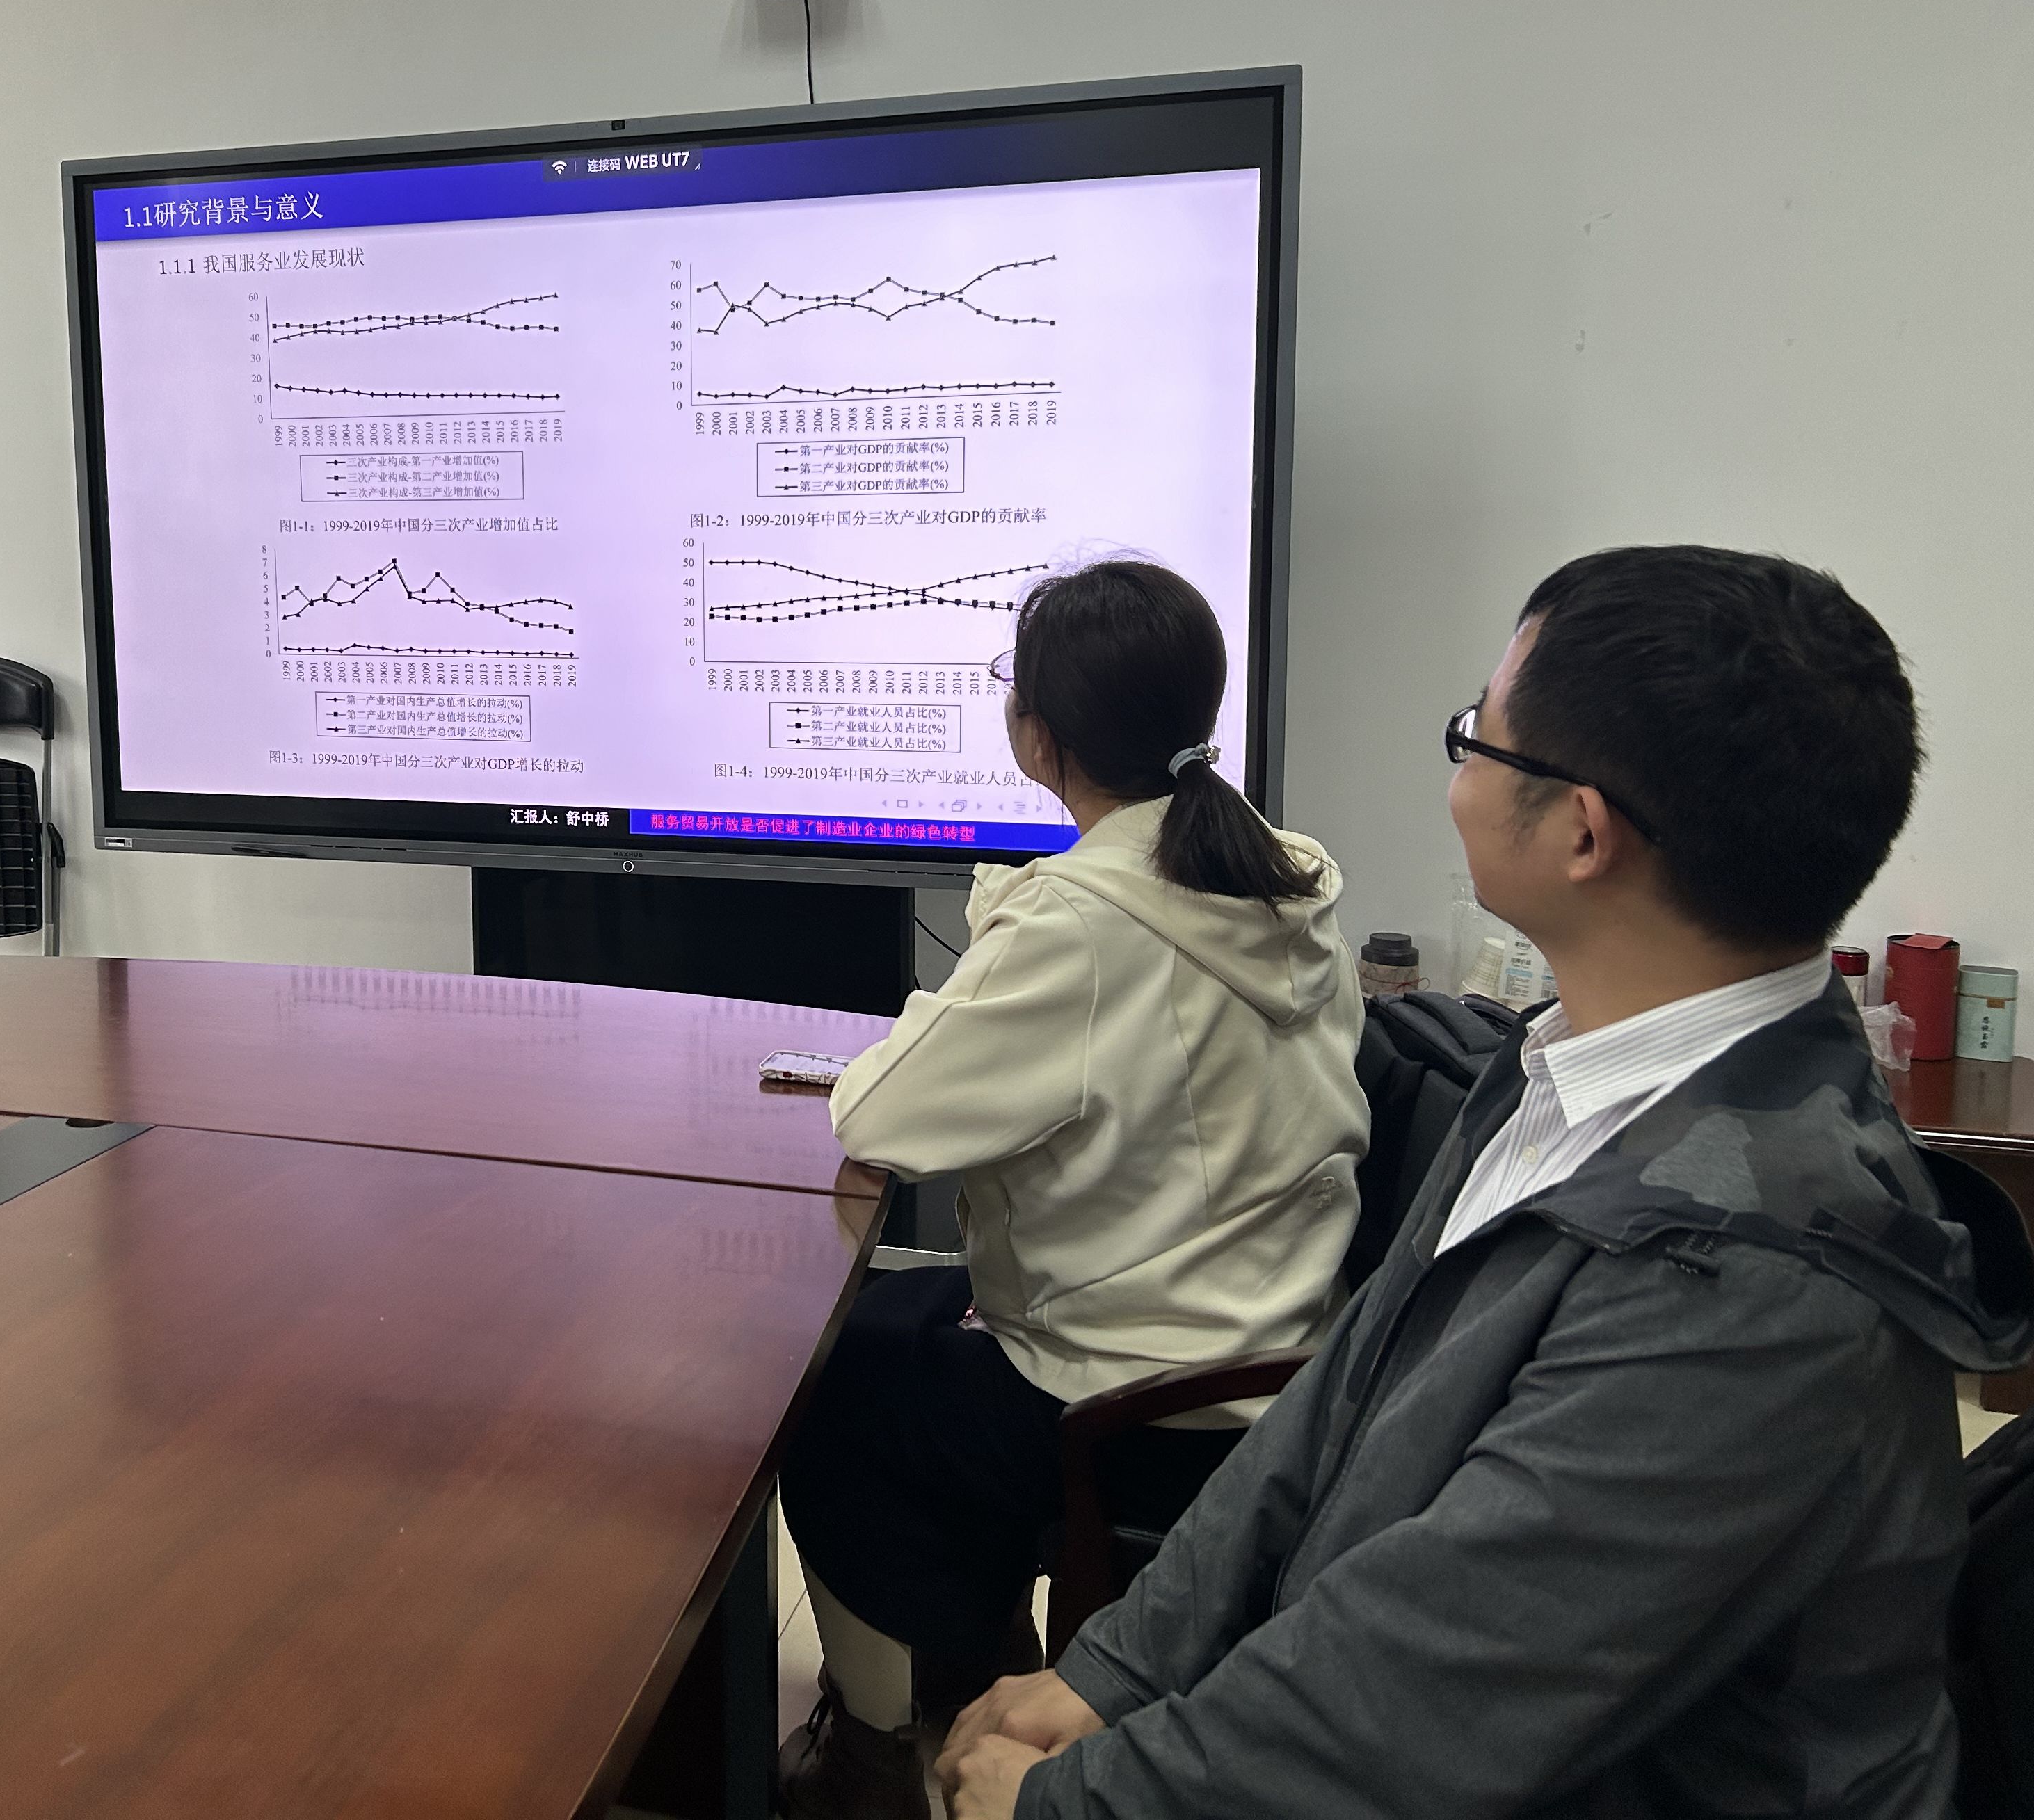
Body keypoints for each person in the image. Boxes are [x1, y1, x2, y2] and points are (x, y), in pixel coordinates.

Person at [938, 544, 2034, 1820]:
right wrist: (1118, 1667)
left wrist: (1073, 1799)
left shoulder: (1748, 1279)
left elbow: (1423, 1700)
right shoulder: (1563, 1068)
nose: (1458, 775)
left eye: (1478, 735)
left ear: (1582, 831)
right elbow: (1338, 1401)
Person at [776, 560, 1372, 1820]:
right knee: (896, 1322)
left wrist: (1003, 930)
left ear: (1037, 737)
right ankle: (971, 1670)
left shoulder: (1081, 922)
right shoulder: (1287, 872)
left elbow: (881, 1113)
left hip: (1139, 1411)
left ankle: (879, 1749)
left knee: (831, 1390)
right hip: (1281, 1366)